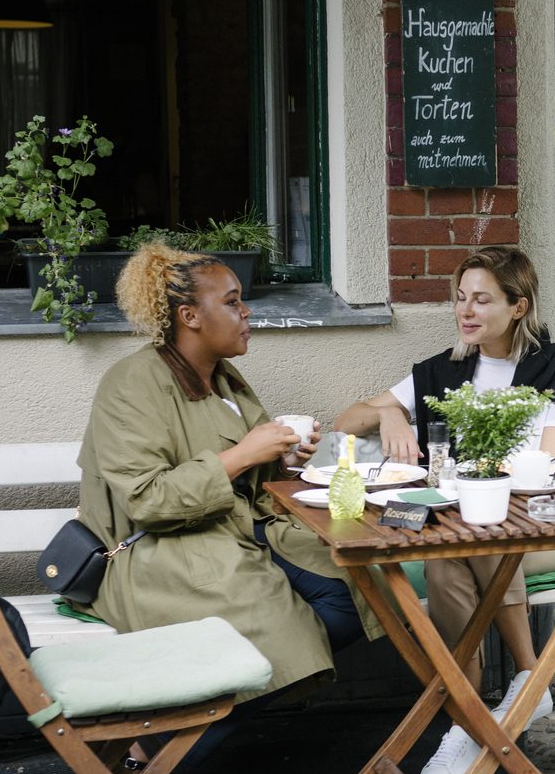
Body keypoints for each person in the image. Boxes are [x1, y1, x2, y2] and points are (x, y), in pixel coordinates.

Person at [78, 245, 378, 713]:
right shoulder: (131, 383)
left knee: (359, 588)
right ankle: (159, 747)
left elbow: (247, 473)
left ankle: (239, 688)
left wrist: (284, 460)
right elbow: (147, 500)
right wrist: (240, 456)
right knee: (282, 626)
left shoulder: (223, 377)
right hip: (161, 553)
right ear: (189, 316)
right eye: (233, 301)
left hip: (236, 530)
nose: (246, 312)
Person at [334, 246, 555, 774]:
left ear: (518, 307)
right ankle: (481, 713)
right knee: (451, 557)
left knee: (473, 530)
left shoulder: (552, 368)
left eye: (481, 299)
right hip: (460, 534)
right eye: (460, 298)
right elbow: (346, 420)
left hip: (543, 529)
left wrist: (483, 480)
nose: (465, 311)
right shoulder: (444, 371)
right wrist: (387, 412)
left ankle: (509, 686)